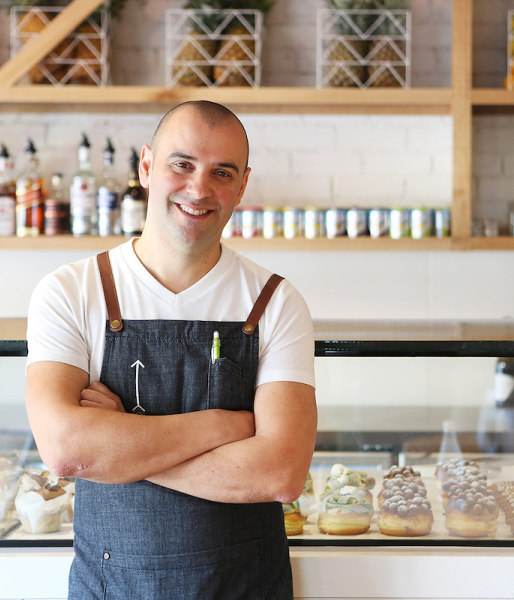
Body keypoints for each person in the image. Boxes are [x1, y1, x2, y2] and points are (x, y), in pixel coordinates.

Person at [24, 100, 317, 599]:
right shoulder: (71, 291)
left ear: (242, 185)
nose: (199, 189)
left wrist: (120, 449)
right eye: (182, 164)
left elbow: (281, 473)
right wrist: (224, 426)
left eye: (221, 173)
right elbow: (66, 450)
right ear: (146, 166)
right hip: (115, 588)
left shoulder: (275, 301)